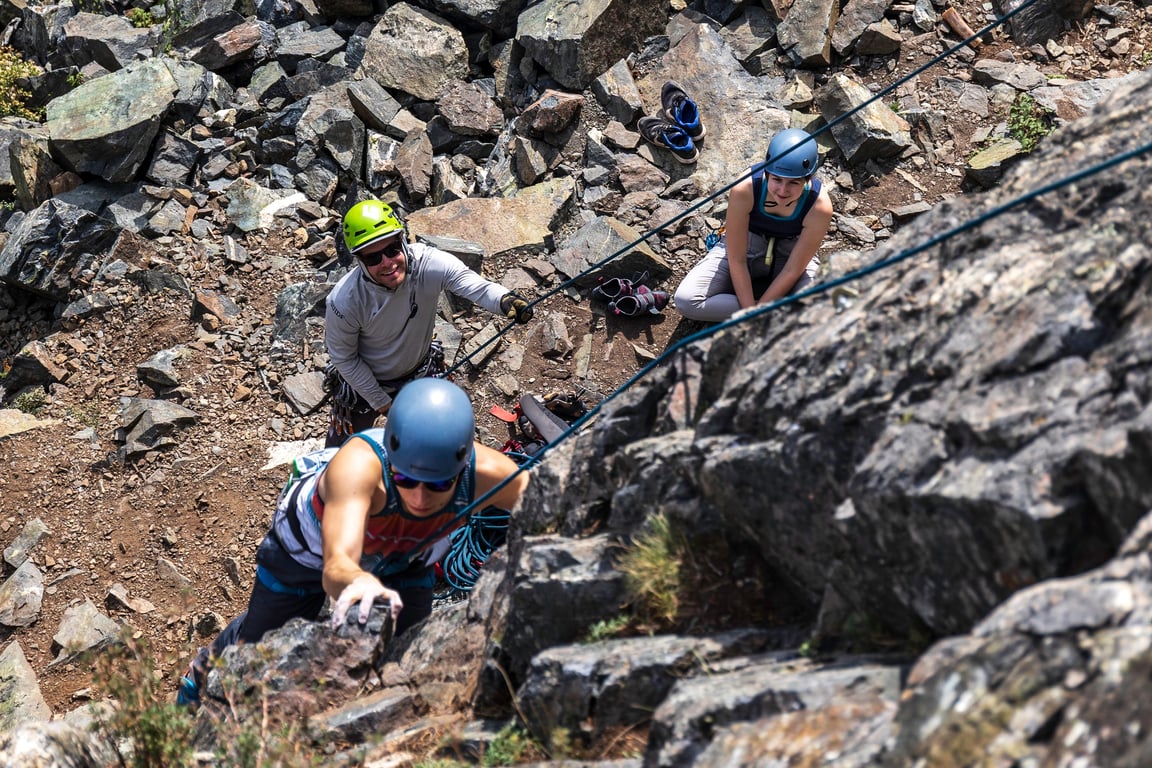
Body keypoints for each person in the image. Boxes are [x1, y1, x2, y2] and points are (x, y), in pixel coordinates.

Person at [178, 378, 529, 706]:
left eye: (438, 485)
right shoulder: (358, 468)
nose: (420, 498)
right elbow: (337, 563)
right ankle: (203, 670)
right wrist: (359, 578)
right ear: (391, 462)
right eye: (406, 479)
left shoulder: (488, 474)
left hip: (407, 555)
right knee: (258, 647)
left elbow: (551, 500)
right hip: (307, 548)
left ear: (463, 466)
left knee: (407, 652)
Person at [325, 199, 534, 447]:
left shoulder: (428, 264)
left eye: (392, 249)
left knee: (443, 438)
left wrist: (504, 300)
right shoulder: (345, 300)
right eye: (373, 258)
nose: (387, 263)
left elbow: (473, 285)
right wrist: (382, 403)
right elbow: (344, 358)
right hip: (365, 382)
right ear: (359, 261)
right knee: (340, 454)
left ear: (402, 241)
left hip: (421, 368)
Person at [673, 128, 834, 322]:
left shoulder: (819, 206)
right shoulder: (746, 188)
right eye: (776, 179)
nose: (783, 190)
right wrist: (750, 313)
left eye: (793, 183)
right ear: (767, 172)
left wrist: (761, 309)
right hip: (746, 248)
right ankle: (780, 315)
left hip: (791, 255)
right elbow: (736, 258)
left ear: (808, 179)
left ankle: (768, 310)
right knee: (687, 300)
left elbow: (793, 269)